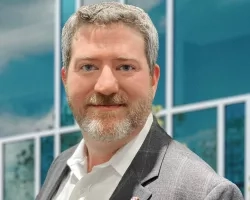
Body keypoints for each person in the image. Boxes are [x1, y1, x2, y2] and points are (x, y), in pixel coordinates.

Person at [36, 2, 244, 200]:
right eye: (89, 67)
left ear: (153, 79)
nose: (106, 86)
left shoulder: (206, 194)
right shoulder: (61, 166)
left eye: (125, 67)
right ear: (65, 79)